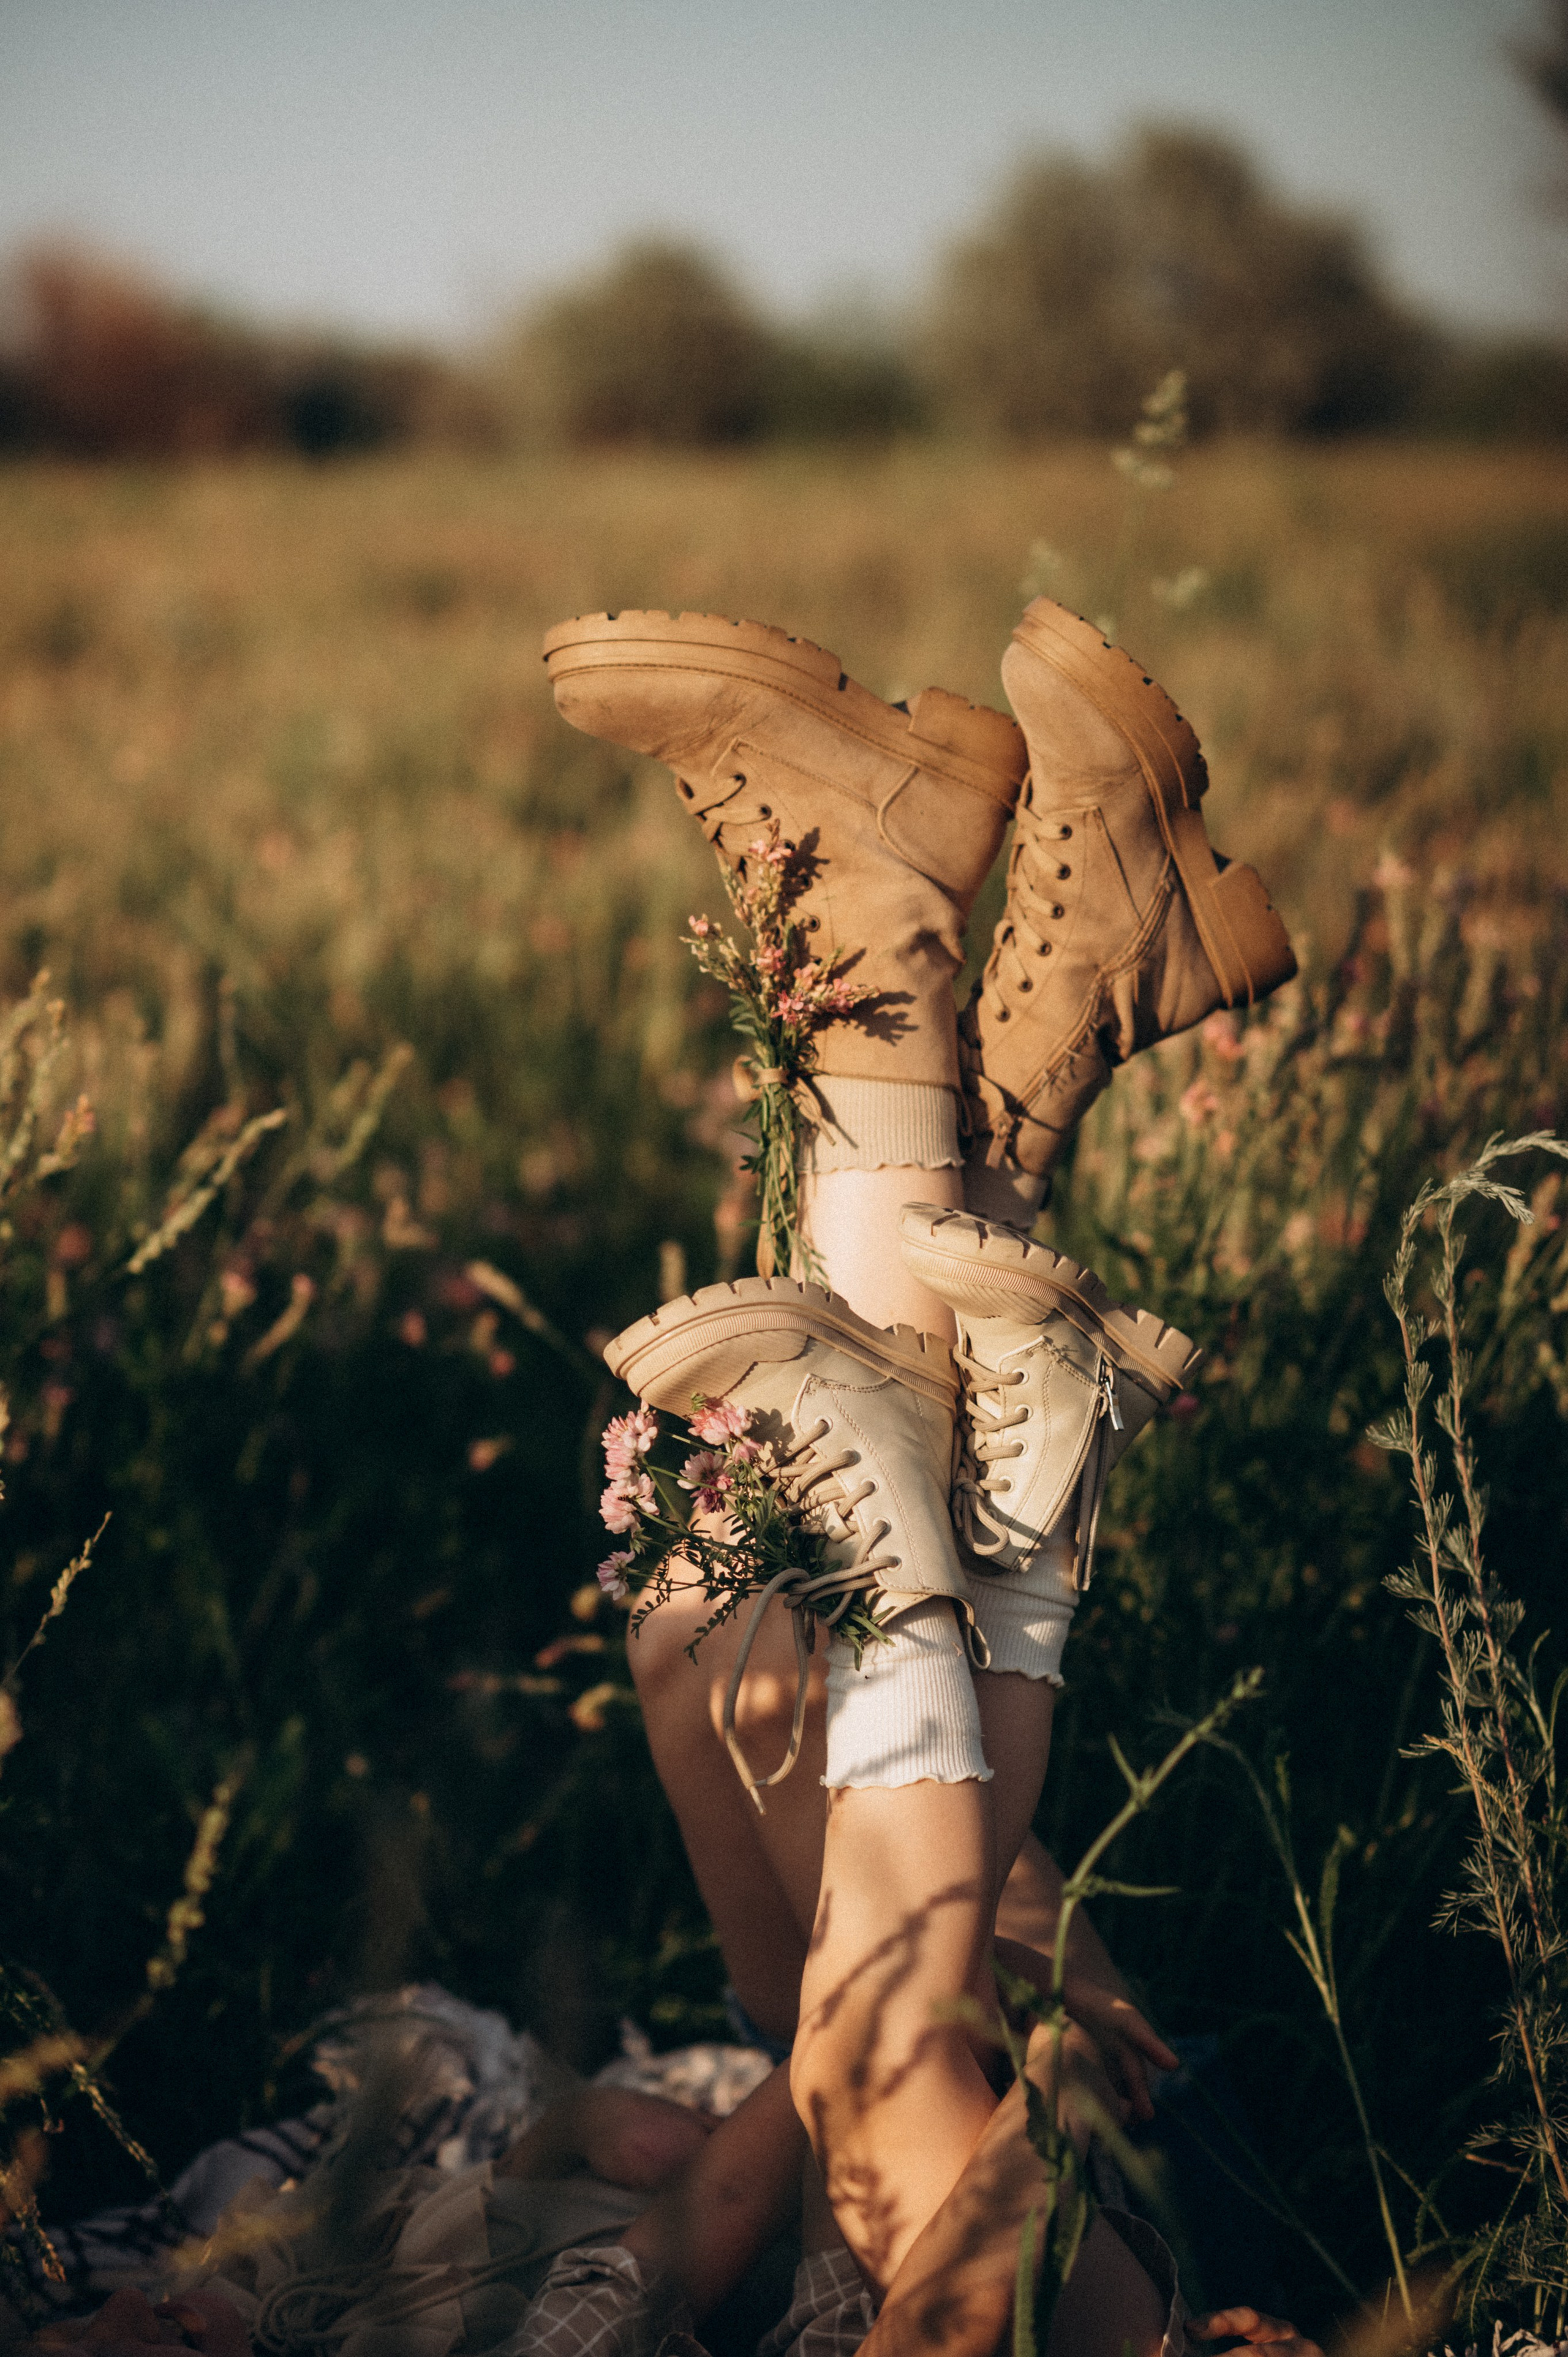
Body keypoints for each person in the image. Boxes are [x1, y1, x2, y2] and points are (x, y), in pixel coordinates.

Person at [543, 594, 1296, 2337]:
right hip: (1114, 2201)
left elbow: (622, 2170)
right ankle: (883, 965)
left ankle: (1041, 1034)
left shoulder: (270, 2273)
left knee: (696, 1634)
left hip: (856, 2139)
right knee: (881, 2025)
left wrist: (756, 2101)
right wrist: (969, 2047)